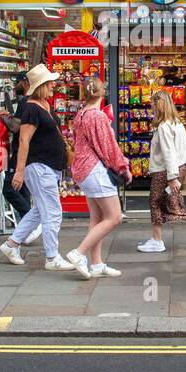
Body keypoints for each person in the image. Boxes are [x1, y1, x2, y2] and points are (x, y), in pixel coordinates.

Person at [0, 64, 74, 270]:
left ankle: (11, 244)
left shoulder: (43, 105)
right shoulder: (32, 108)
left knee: (40, 210)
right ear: (40, 85)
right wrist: (19, 172)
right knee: (53, 211)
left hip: (48, 167)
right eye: (49, 83)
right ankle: (52, 257)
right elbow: (23, 140)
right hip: (39, 167)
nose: (53, 85)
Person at [65, 76, 132, 278]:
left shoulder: (81, 114)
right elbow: (108, 147)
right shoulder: (98, 117)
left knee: (97, 218)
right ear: (102, 93)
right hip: (95, 171)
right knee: (114, 217)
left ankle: (96, 263)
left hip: (83, 170)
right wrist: (123, 167)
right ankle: (78, 253)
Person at [139, 90, 186, 253]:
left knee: (158, 201)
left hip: (165, 171)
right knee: (170, 202)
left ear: (159, 105)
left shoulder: (164, 126)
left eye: (153, 104)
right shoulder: (176, 123)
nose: (151, 107)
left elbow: (168, 152)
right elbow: (183, 150)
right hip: (175, 168)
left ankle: (158, 240)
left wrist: (172, 176)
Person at [0, 71, 34, 222]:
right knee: (23, 189)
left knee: (9, 188)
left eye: (17, 81)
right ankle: (27, 225)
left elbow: (15, 127)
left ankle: (30, 219)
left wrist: (4, 116)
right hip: (29, 153)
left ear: (25, 83)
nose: (15, 85)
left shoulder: (25, 103)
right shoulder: (32, 101)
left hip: (21, 152)